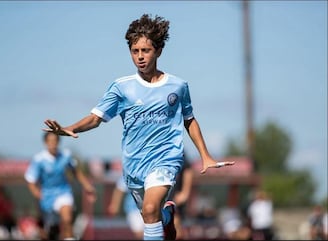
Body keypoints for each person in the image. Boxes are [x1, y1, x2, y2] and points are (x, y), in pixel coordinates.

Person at [43, 13, 235, 240]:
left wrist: (205, 155)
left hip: (166, 159)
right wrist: (70, 128)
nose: (140, 57)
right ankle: (167, 216)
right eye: (135, 51)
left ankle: (161, 214)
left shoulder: (178, 86)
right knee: (149, 213)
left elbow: (189, 120)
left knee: (150, 208)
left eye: (146, 51)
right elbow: (96, 118)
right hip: (134, 165)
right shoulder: (121, 87)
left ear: (159, 51)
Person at [24, 132, 96, 240]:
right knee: (50, 231)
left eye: (55, 141)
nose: (53, 144)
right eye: (50, 141)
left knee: (67, 220)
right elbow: (30, 180)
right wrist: (37, 194)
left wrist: (87, 186)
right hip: (46, 197)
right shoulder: (39, 159)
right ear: (45, 143)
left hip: (63, 192)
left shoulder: (65, 156)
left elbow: (76, 172)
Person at [108, 175, 145, 239]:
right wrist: (114, 206)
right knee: (140, 234)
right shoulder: (129, 171)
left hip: (154, 208)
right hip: (134, 209)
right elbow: (120, 189)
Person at [170, 154, 194, 240]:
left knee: (174, 227)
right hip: (155, 196)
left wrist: (185, 193)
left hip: (172, 197)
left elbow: (188, 170)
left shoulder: (174, 146)